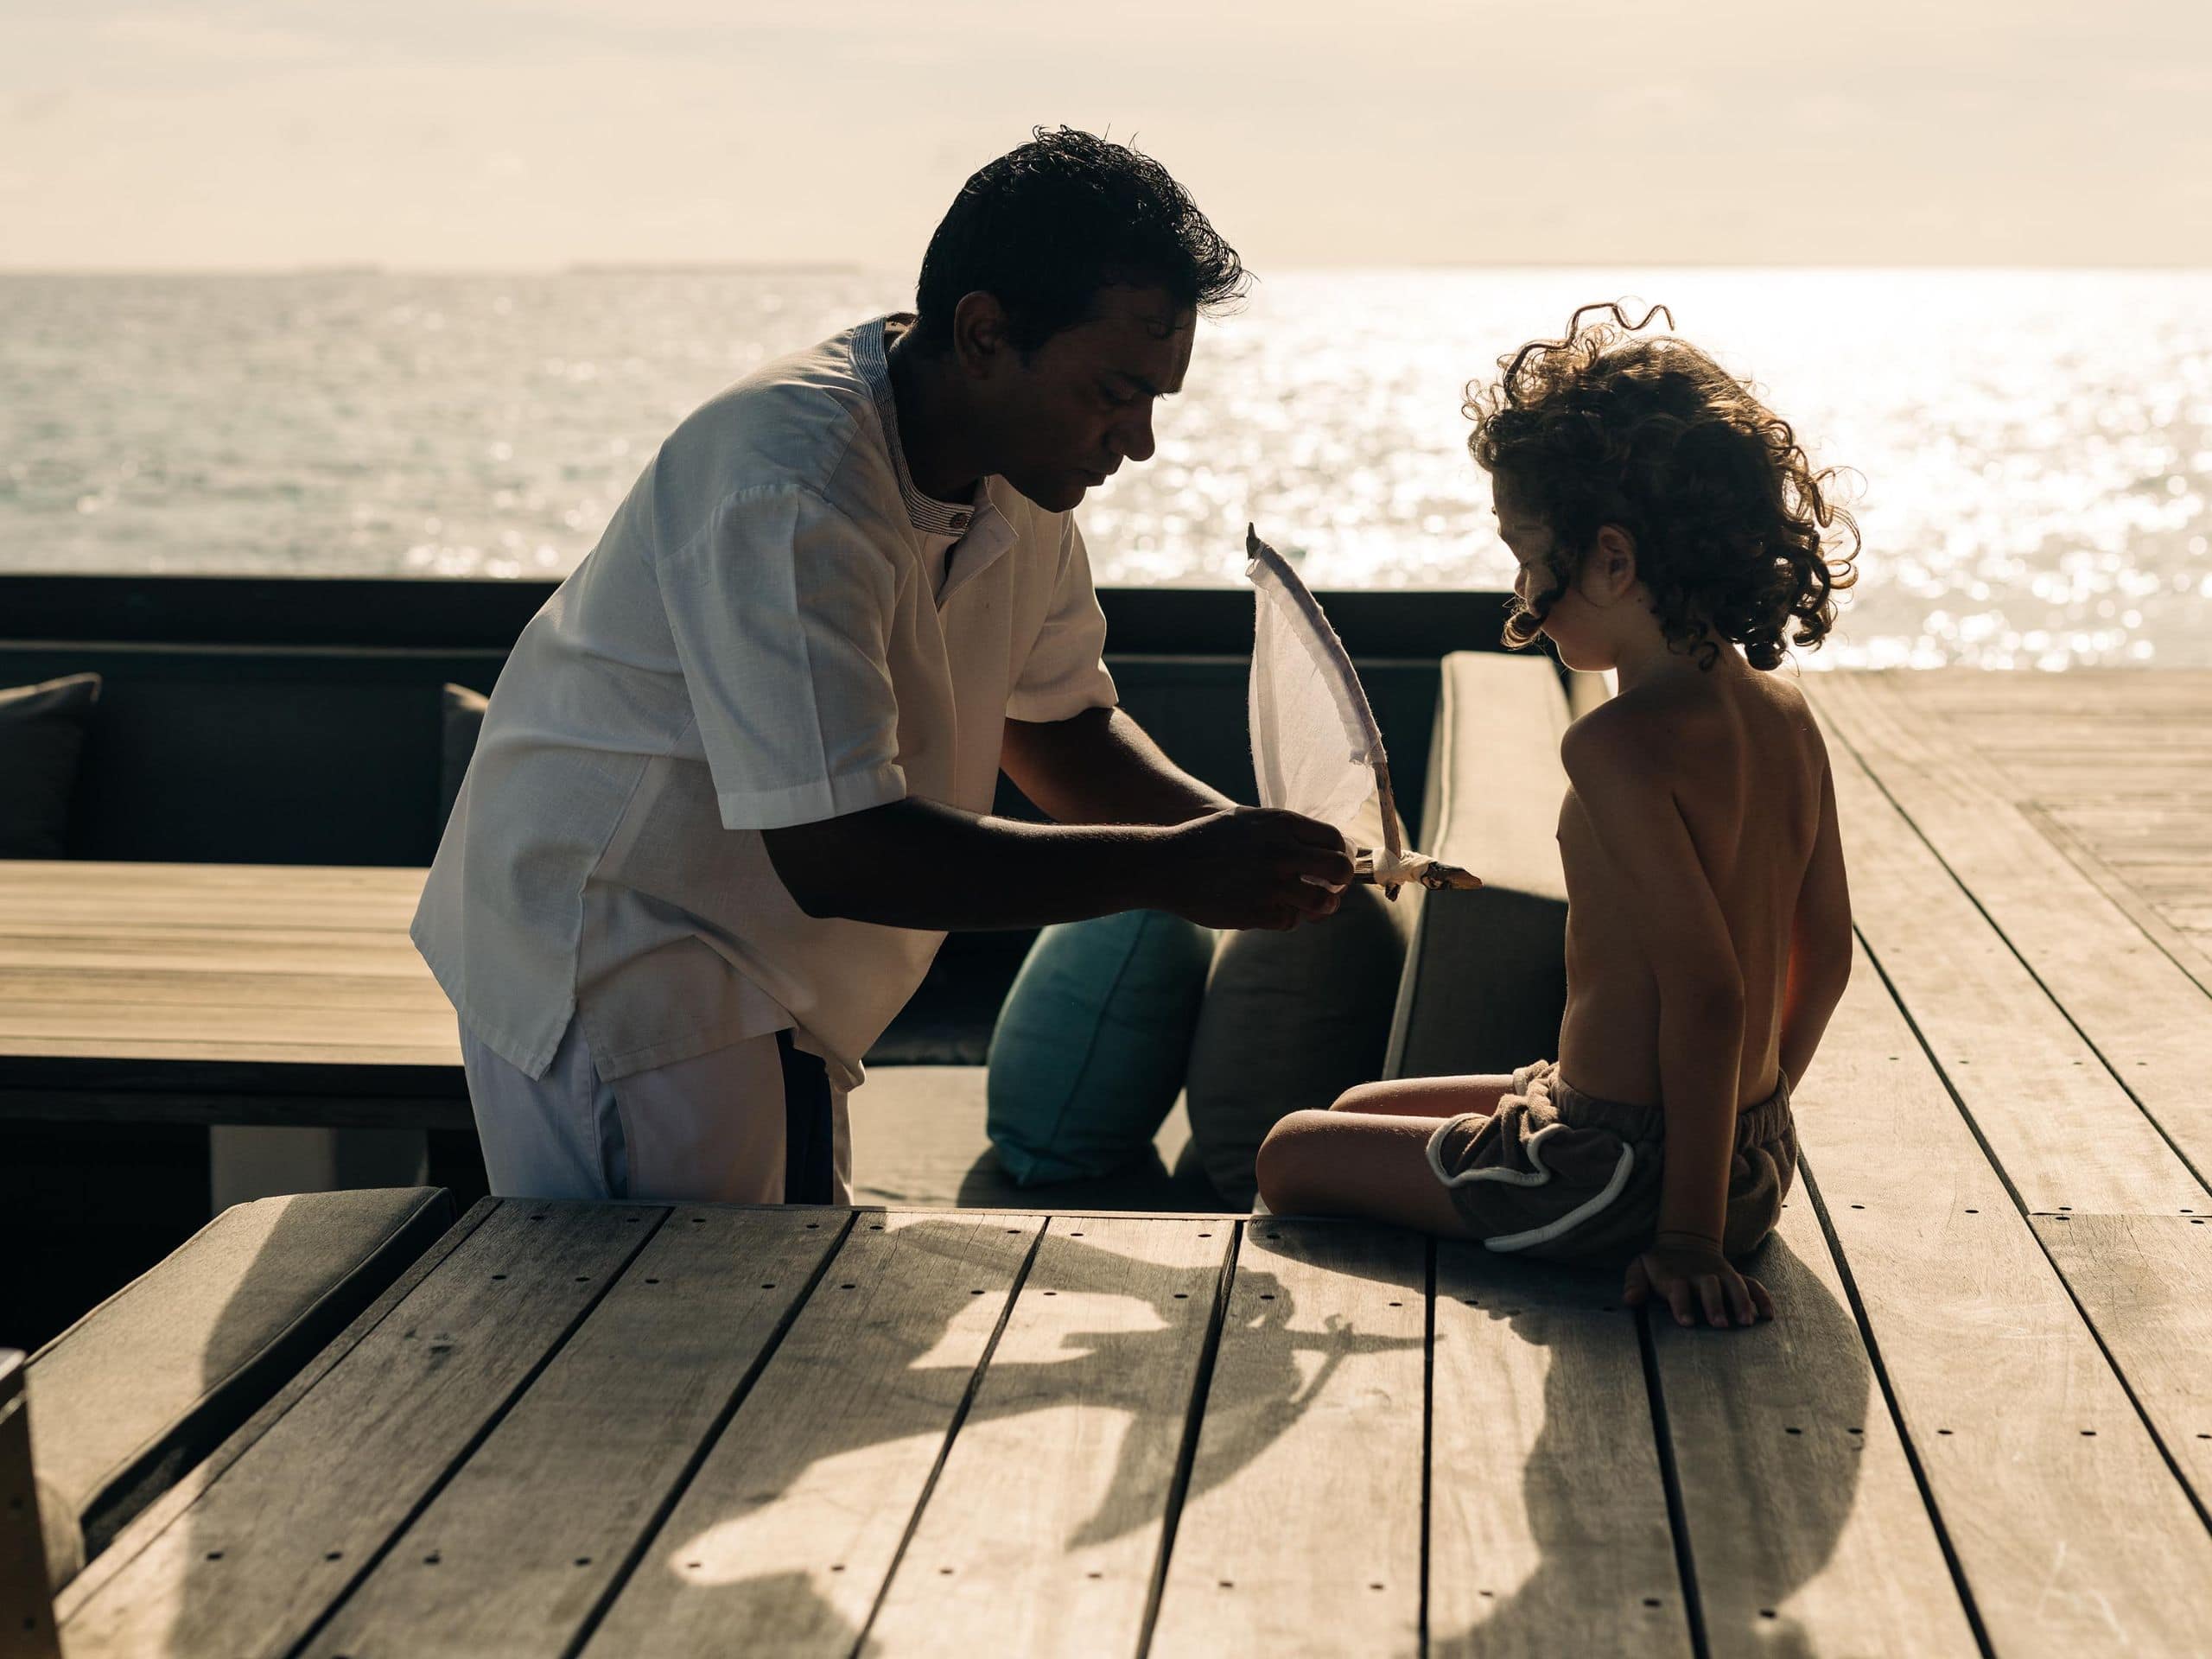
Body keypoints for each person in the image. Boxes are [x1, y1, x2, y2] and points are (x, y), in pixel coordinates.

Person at [414, 129, 1352, 1208]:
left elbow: (1057, 728)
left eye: (1155, 401)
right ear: (985, 333)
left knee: (758, 1335)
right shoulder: (789, 488)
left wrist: (1244, 848)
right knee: (658, 1351)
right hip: (619, 960)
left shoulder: (1021, 478)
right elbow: (839, 851)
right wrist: (1173, 868)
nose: (1136, 442)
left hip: (777, 974)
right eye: (1113, 392)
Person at [1255, 302, 1859, 1327]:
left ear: (1611, 562)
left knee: (1288, 1152)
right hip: (1743, 1157)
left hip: (1618, 1179)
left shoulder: (1617, 747)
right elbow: (1827, 955)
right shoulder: (1785, 713)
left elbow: (1708, 994)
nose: (1522, 586)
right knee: (1359, 1109)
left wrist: (1685, 1236)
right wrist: (1749, 1135)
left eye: (1527, 554)